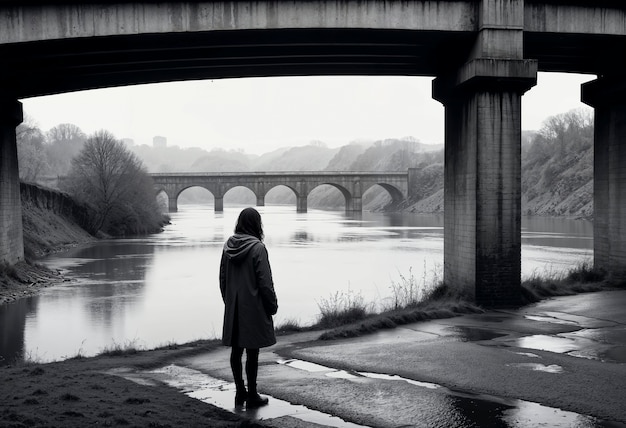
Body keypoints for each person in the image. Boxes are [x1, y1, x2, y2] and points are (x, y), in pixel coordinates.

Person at [219, 207, 278, 408]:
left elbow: (222, 279)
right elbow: (265, 282)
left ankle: (240, 392)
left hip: (234, 306)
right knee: (252, 352)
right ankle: (252, 394)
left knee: (236, 351)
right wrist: (272, 305)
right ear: (257, 224)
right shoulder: (258, 248)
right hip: (253, 307)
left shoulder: (227, 246)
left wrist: (229, 302)